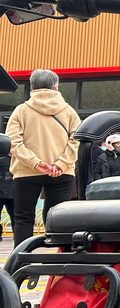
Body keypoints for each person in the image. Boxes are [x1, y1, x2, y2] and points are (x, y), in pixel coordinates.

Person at [4, 69, 80, 247]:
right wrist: (61, 164)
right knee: (58, 218)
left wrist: (36, 163)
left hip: (26, 171)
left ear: (32, 87)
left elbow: (13, 142)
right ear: (55, 86)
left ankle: (23, 258)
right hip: (61, 172)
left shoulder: (21, 111)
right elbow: (77, 140)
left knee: (23, 218)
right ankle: (58, 258)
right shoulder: (69, 112)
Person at [0, 154, 13, 241]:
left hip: (12, 191)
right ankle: (19, 235)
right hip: (13, 192)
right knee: (16, 216)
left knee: (15, 216)